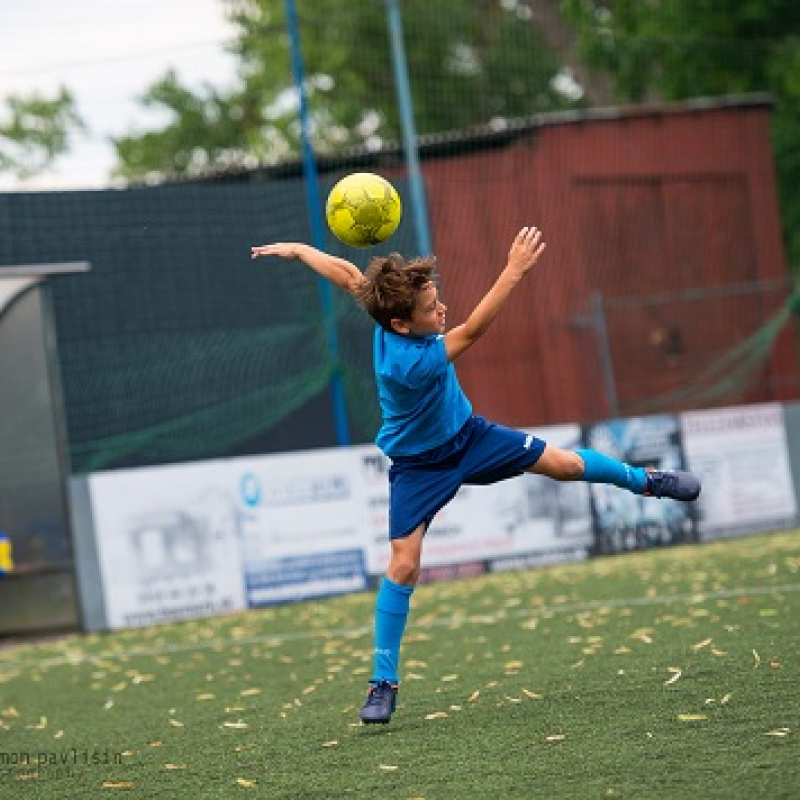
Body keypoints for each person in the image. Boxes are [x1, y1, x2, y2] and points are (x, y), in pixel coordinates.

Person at [251, 226, 701, 725]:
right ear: (401, 325)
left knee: (567, 465)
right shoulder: (407, 363)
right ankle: (383, 683)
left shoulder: (389, 319)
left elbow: (349, 274)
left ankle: (647, 481)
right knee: (404, 565)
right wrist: (512, 270)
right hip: (420, 467)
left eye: (438, 298)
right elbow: (473, 331)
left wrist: (299, 250)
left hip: (471, 438)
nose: (441, 309)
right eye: (431, 308)